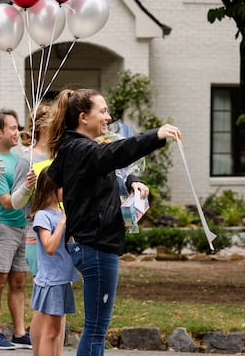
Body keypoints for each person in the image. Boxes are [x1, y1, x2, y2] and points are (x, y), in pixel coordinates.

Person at [46, 88, 181, 356]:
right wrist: (155, 135)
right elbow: (116, 154)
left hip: (91, 243)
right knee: (96, 329)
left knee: (96, 327)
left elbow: (104, 168)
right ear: (84, 117)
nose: (108, 117)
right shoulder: (82, 150)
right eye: (103, 111)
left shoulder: (75, 148)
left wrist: (132, 180)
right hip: (96, 245)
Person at [0, 108, 36, 350]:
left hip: (23, 226)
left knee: (18, 282)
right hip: (3, 227)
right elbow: (5, 201)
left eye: (17, 127)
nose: (18, 132)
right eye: (12, 128)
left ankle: (19, 333)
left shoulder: (19, 158)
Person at [29, 166, 77, 356]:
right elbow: (49, 246)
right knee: (50, 332)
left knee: (55, 332)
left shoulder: (60, 212)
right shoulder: (43, 215)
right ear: (52, 188)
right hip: (52, 281)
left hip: (62, 279)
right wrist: (63, 222)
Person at [11, 101, 53, 277]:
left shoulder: (61, 155)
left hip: (62, 231)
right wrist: (27, 186)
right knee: (45, 291)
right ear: (43, 127)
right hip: (37, 235)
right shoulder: (27, 161)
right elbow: (15, 203)